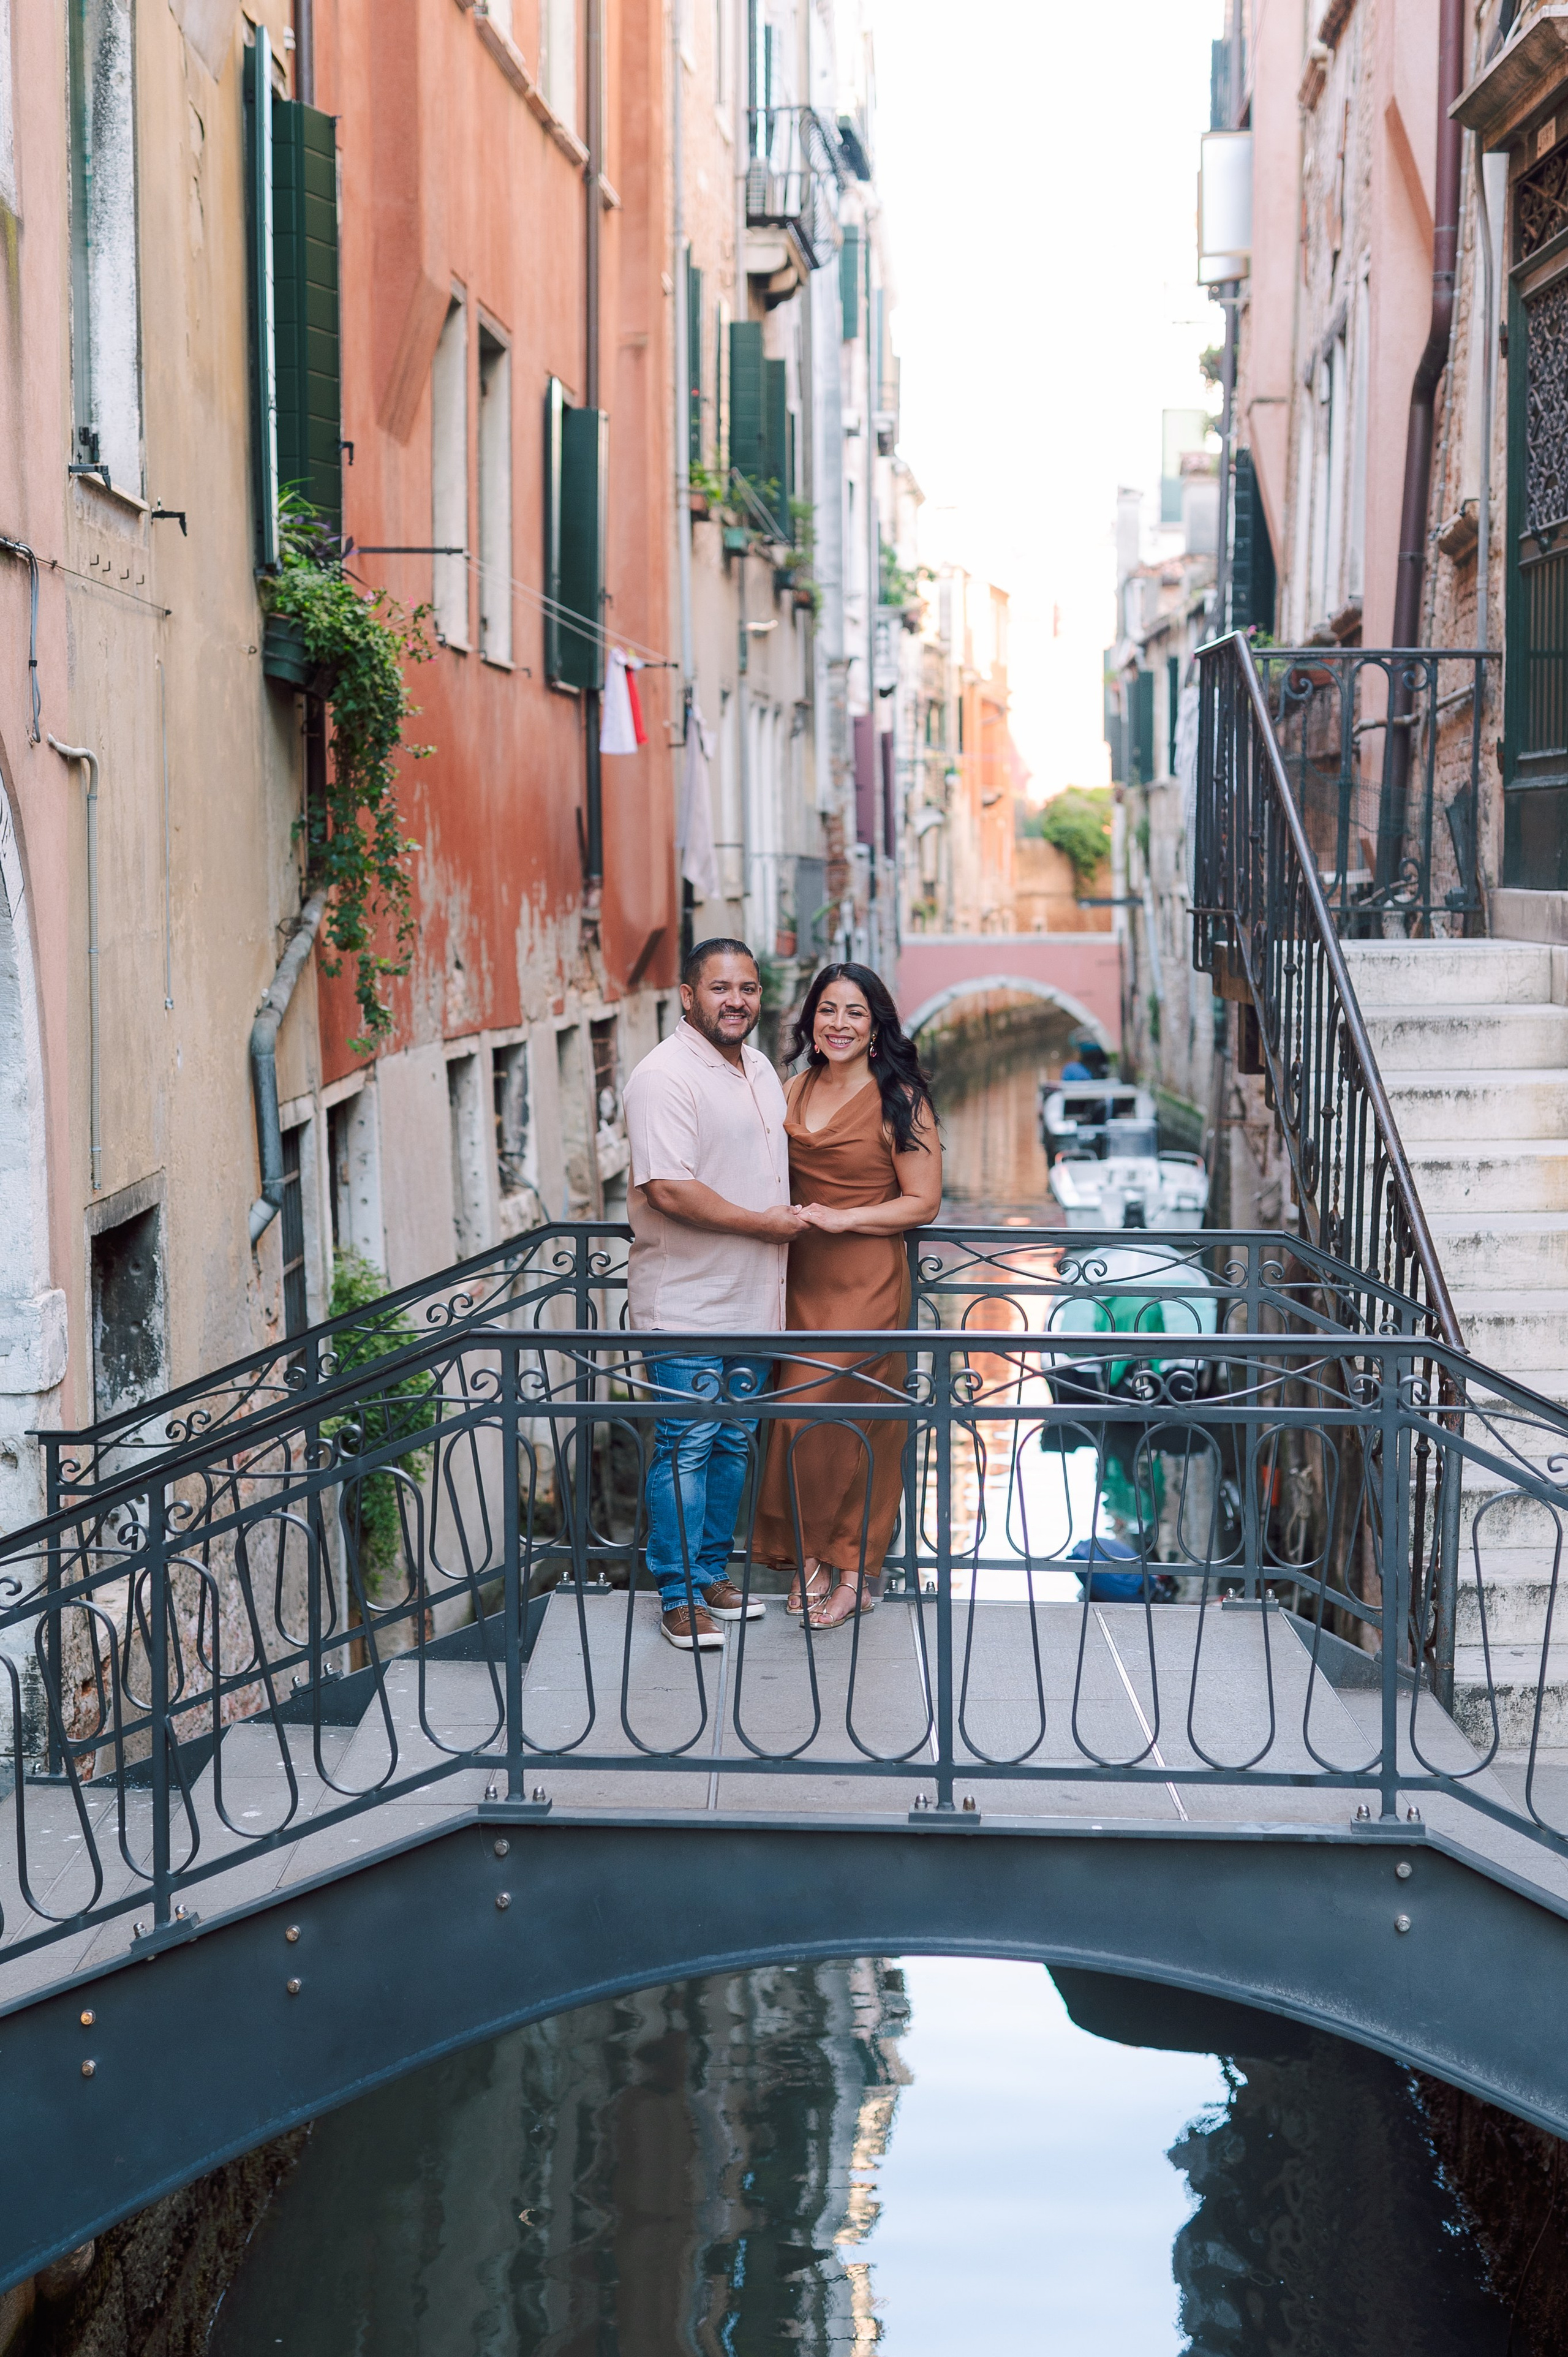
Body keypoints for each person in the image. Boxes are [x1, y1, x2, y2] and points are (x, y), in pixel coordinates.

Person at [624, 939, 807, 1651]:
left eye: (749, 988)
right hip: (689, 1302)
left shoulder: (760, 1067)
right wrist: (765, 1225)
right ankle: (675, 1596)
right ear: (687, 995)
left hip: (754, 1298)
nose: (737, 1000)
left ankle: (709, 1576)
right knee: (687, 1442)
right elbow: (667, 1188)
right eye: (721, 987)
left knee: (733, 1439)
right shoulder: (662, 1076)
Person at [752, 964, 943, 1630]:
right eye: (827, 1009)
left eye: (854, 1012)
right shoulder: (790, 1088)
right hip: (799, 1277)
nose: (838, 1023)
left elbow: (923, 1202)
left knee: (855, 1425)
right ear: (810, 1021)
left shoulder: (901, 1096)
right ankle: (810, 1565)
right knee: (792, 1422)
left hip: (867, 1279)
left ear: (875, 1025)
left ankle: (857, 1571)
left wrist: (845, 1218)